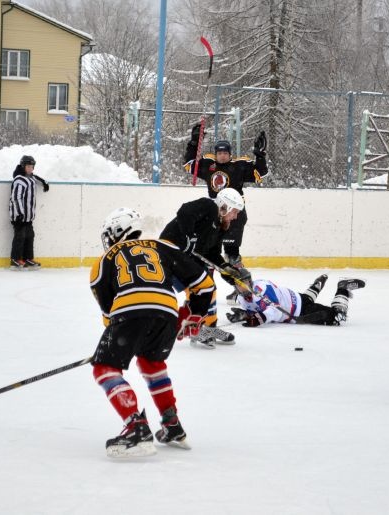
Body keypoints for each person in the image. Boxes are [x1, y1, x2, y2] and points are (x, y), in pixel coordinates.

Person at [90, 207, 215, 458]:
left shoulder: (102, 263)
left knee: (104, 368)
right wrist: (194, 314)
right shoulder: (163, 247)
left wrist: (119, 345)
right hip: (167, 312)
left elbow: (109, 317)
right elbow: (204, 284)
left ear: (117, 232)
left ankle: (136, 428)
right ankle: (172, 425)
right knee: (151, 361)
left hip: (128, 311)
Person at [183, 125, 269, 302]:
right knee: (207, 252)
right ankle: (206, 287)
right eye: (219, 152)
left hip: (235, 216)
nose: (222, 155)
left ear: (230, 154)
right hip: (214, 216)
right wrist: (193, 142)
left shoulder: (239, 166)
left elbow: (261, 173)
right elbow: (188, 165)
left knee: (231, 254)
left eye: (225, 152)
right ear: (215, 153)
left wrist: (260, 155)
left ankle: (244, 290)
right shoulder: (208, 165)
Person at [159, 188, 251, 348]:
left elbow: (212, 253)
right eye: (234, 211)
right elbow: (185, 211)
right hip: (170, 254)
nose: (235, 216)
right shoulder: (208, 206)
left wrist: (228, 271)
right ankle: (194, 329)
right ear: (224, 206)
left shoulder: (222, 225)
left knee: (210, 288)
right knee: (198, 289)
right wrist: (189, 235)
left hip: (187, 259)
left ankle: (209, 327)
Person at [226, 274, 365, 327]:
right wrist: (244, 314)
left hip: (299, 310)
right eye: (240, 284)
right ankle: (316, 286)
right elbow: (257, 308)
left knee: (338, 317)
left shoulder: (262, 288)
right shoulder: (241, 298)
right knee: (307, 299)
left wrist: (260, 318)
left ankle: (342, 288)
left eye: (246, 281)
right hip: (296, 299)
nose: (244, 285)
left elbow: (274, 309)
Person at [8, 155, 49, 270]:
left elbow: (36, 178)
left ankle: (27, 259)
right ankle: (15, 260)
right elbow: (16, 198)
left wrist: (44, 182)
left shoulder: (30, 177)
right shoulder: (19, 180)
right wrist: (20, 214)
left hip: (28, 216)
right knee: (19, 237)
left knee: (30, 236)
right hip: (19, 216)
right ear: (23, 166)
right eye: (29, 166)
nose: (31, 169)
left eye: (32, 166)